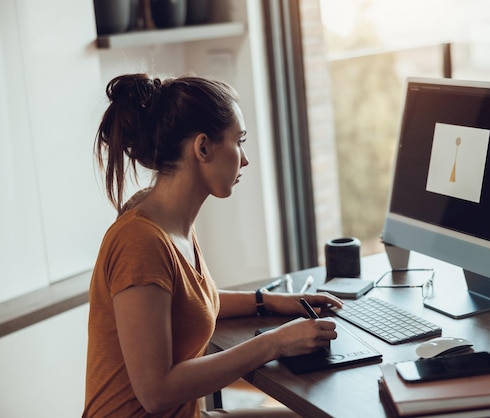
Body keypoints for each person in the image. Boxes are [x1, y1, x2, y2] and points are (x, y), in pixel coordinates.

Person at [83, 73, 342, 418]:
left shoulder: (170, 220)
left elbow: (188, 304)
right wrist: (275, 342)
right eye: (240, 141)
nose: (245, 159)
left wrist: (276, 302)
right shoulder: (140, 241)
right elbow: (156, 393)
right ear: (203, 147)